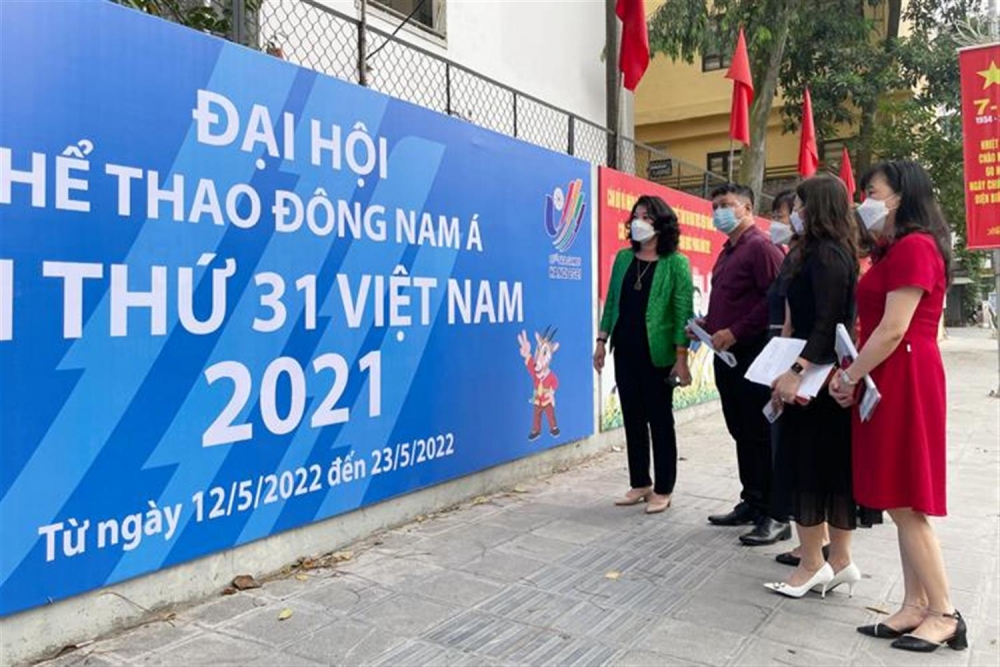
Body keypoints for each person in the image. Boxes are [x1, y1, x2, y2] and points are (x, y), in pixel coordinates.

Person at [830, 160, 968, 653]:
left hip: (906, 372)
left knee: (908, 501)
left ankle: (944, 613)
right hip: (889, 372)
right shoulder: (892, 249)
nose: (864, 200)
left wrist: (850, 375)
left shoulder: (915, 247)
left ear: (900, 197)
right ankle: (915, 604)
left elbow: (893, 329)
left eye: (872, 191)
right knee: (896, 497)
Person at [763, 175, 861, 599]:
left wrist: (796, 370)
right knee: (826, 470)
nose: (794, 214)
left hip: (818, 378)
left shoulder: (826, 255)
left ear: (818, 208)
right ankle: (838, 561)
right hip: (814, 372)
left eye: (801, 206)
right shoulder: (816, 252)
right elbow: (795, 320)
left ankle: (811, 564)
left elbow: (826, 323)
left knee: (808, 469)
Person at [692, 184, 789, 546]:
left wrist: (736, 331)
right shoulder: (728, 250)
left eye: (727, 205)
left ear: (747, 208)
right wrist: (707, 325)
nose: (719, 211)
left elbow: (775, 301)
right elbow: (733, 300)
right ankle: (753, 500)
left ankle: (775, 513)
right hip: (727, 356)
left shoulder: (761, 247)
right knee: (742, 431)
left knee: (760, 434)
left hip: (753, 354)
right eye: (715, 206)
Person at [595, 195, 694, 514]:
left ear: (662, 224)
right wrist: (601, 340)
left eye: (647, 217)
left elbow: (683, 312)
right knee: (633, 418)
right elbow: (612, 301)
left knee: (660, 421)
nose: (639, 222)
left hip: (659, 355)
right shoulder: (624, 258)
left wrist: (681, 357)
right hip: (625, 350)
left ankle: (664, 488)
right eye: (636, 216)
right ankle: (640, 482)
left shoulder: (676, 263)